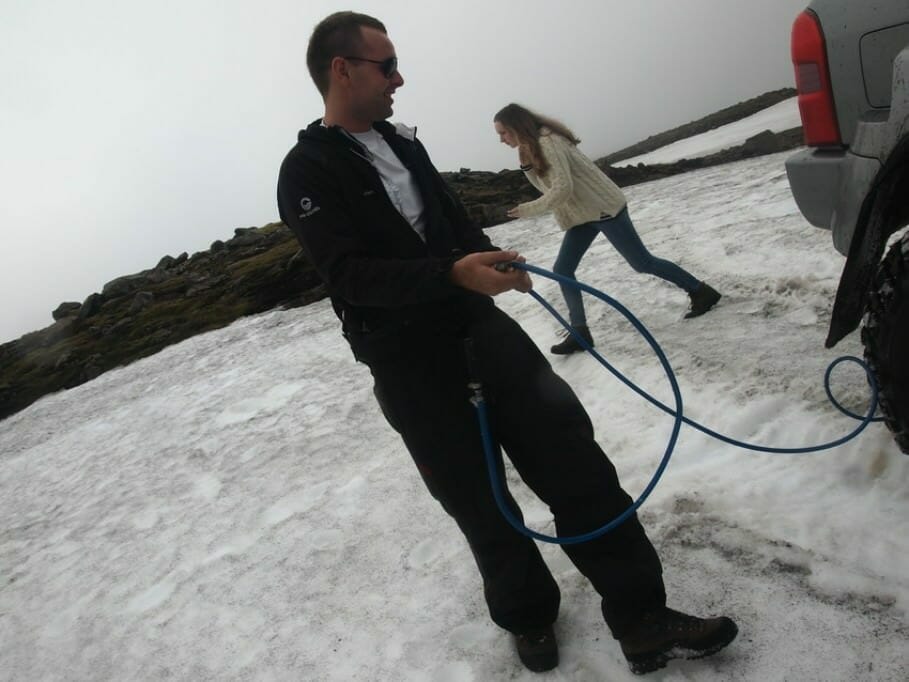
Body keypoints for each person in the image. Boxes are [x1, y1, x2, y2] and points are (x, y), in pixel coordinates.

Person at [277, 11, 738, 676]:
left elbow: (453, 225)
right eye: (386, 65)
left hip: (484, 334)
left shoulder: (404, 146)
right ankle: (527, 617)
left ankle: (640, 617)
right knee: (478, 500)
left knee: (576, 466)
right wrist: (449, 273)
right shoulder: (305, 172)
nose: (398, 78)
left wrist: (483, 258)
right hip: (410, 366)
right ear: (341, 70)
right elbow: (347, 276)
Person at [493, 103, 722, 355]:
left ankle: (701, 291)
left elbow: (562, 188)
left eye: (503, 133)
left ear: (516, 127)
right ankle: (580, 332)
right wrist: (527, 167)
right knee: (563, 269)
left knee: (642, 262)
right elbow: (546, 186)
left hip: (604, 209)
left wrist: (528, 209)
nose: (501, 140)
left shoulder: (548, 142)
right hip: (585, 214)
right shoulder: (533, 146)